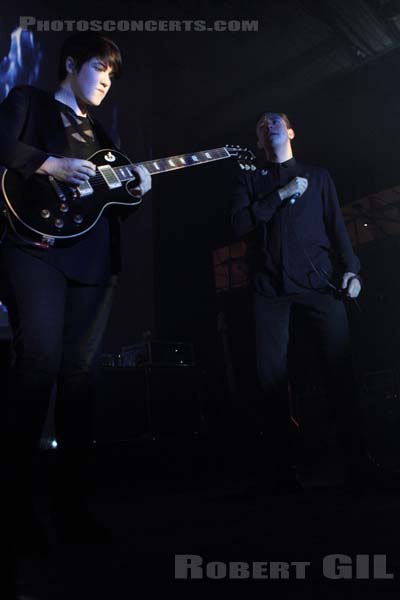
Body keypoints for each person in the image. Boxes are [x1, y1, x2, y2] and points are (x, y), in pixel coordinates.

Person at [0, 32, 151, 550]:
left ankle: (72, 509)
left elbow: (115, 207)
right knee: (37, 360)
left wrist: (137, 189)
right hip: (33, 249)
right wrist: (50, 163)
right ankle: (16, 509)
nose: (107, 81)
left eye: (113, 75)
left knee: (80, 377)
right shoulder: (28, 101)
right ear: (70, 65)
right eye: (99, 68)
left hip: (92, 263)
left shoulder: (107, 137)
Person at [231, 111, 363, 490]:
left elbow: (337, 227)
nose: (267, 125)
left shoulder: (319, 177)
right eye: (260, 125)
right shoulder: (249, 179)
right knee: (270, 381)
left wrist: (352, 269)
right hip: (270, 290)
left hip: (318, 285)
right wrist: (280, 196)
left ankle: (358, 463)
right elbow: (239, 225)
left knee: (339, 370)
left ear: (290, 132)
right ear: (258, 142)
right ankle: (281, 471)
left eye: (275, 121)